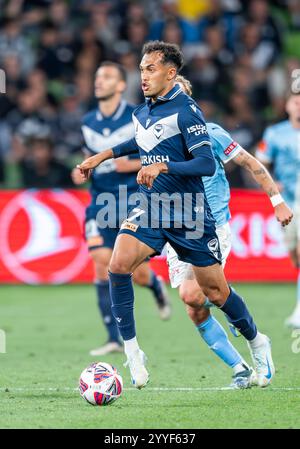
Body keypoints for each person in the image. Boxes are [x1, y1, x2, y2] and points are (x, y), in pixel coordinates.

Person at [77, 41, 276, 390]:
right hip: (151, 207)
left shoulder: (188, 111)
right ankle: (133, 353)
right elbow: (138, 143)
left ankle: (257, 341)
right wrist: (102, 156)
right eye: (141, 68)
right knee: (118, 264)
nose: (143, 75)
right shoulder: (143, 112)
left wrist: (162, 165)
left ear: (171, 73)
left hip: (190, 215)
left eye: (151, 68)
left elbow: (203, 163)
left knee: (215, 294)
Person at [167, 75, 293, 387]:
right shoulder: (159, 142)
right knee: (194, 308)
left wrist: (276, 201)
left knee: (192, 293)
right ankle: (239, 368)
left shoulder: (211, 135)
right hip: (176, 228)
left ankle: (256, 339)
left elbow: (253, 165)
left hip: (211, 227)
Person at [72, 61, 171, 357]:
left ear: (119, 85)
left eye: (106, 77)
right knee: (101, 261)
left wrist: (134, 164)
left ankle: (154, 286)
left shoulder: (136, 116)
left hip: (132, 200)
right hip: (100, 201)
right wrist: (79, 172)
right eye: (97, 76)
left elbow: (160, 154)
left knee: (134, 273)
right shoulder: (87, 120)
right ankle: (114, 338)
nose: (98, 81)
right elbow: (87, 157)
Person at [256, 91, 300, 329]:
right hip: (286, 203)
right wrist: (273, 184)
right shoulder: (275, 133)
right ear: (287, 105)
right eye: (296, 102)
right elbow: (259, 164)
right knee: (295, 256)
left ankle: (298, 311)